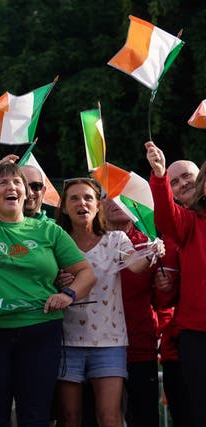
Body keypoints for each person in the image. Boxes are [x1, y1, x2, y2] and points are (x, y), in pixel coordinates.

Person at [0, 99, 96, 427]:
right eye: (2, 183)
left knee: (35, 415)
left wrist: (68, 296)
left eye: (17, 183)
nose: (11, 186)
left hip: (40, 332)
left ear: (26, 194)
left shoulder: (48, 230)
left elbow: (85, 273)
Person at [55, 178, 163, 427]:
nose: (82, 203)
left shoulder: (116, 240)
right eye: (74, 198)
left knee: (110, 417)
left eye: (88, 198)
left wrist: (152, 253)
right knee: (69, 418)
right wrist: (57, 281)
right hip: (66, 341)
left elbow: (136, 265)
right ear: (63, 206)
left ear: (97, 206)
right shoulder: (56, 240)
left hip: (110, 342)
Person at [145, 141, 206, 426]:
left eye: (188, 177)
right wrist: (158, 176)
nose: (182, 184)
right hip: (193, 336)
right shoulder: (188, 223)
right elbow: (166, 216)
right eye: (174, 181)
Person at [101, 197, 175, 427]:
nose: (115, 202)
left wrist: (165, 287)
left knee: (144, 417)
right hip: (96, 348)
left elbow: (162, 304)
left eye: (122, 196)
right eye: (107, 197)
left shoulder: (149, 245)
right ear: (98, 204)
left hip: (139, 347)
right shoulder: (89, 242)